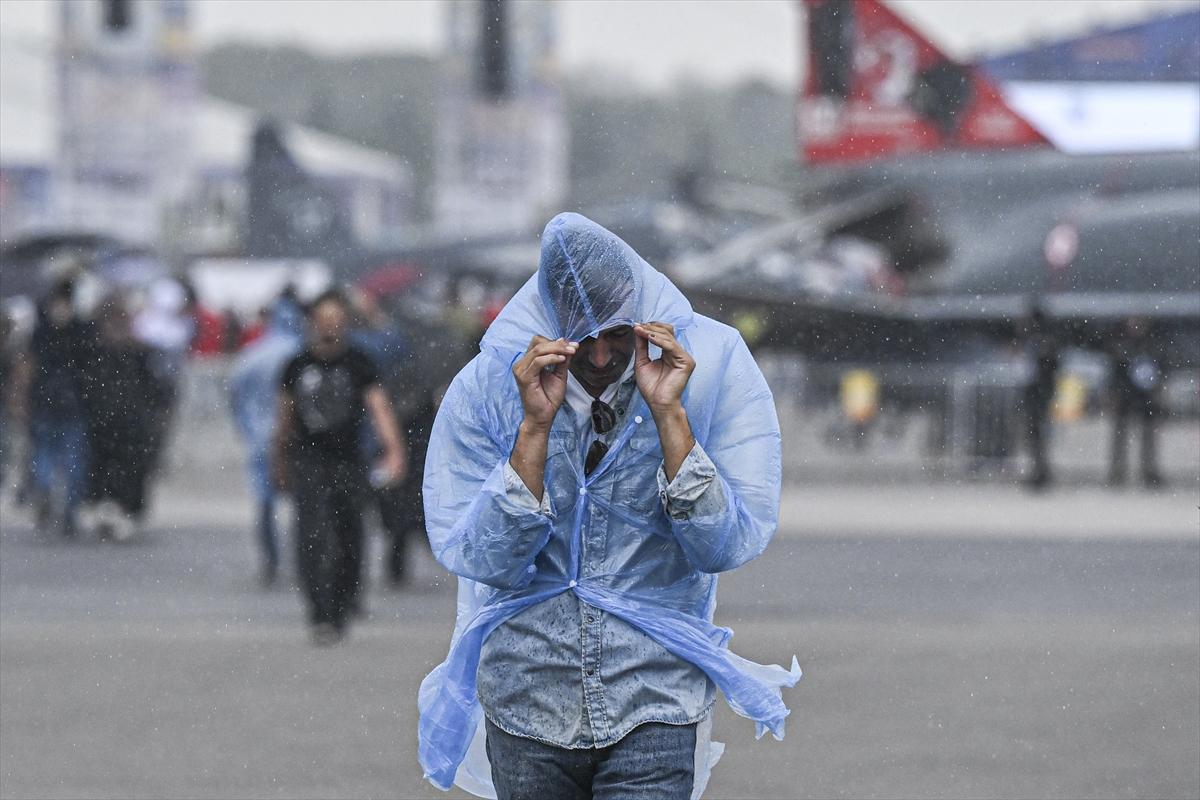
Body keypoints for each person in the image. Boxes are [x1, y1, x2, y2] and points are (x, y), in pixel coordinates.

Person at [418, 213, 800, 798]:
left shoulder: (709, 375)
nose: (599, 358)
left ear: (639, 310)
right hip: (529, 695)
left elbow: (724, 544)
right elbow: (480, 557)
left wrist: (670, 416)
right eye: (582, 340)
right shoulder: (491, 389)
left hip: (655, 692)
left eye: (616, 335)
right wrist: (534, 432)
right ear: (550, 321)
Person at [273, 288, 408, 645]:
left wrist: (394, 450)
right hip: (309, 460)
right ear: (312, 323)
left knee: (350, 532)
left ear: (345, 322)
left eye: (336, 319)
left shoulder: (359, 362)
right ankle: (320, 611)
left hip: (349, 460)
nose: (329, 327)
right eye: (323, 320)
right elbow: (284, 418)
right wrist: (280, 460)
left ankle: (345, 597)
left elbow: (379, 409)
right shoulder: (296, 365)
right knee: (313, 534)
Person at [228, 293, 304, 585]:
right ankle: (302, 558)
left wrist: (244, 425)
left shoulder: (254, 353)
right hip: (295, 437)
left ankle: (271, 560)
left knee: (264, 501)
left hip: (261, 435)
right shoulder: (298, 351)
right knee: (301, 502)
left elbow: (234, 392)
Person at [79, 298, 168, 541]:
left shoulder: (131, 352)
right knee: (114, 471)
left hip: (122, 423)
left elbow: (156, 389)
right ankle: (114, 511)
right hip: (114, 423)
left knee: (121, 471)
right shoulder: (105, 351)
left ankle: (116, 511)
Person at [18, 281, 92, 537]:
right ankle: (65, 511)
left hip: (52, 404)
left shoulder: (43, 331)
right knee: (67, 461)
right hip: (65, 405)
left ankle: (50, 498)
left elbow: (28, 367)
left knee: (49, 458)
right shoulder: (78, 330)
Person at [1107, 317, 1165, 488]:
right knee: (1120, 436)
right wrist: (1115, 392)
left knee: (1147, 436)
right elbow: (1115, 371)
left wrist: (1158, 390)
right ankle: (1118, 471)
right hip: (1126, 396)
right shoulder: (1122, 345)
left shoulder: (1151, 345)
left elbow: (1160, 369)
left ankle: (1148, 471)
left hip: (1145, 396)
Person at [1020, 303, 1059, 490]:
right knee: (1036, 436)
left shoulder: (1041, 342)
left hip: (1039, 394)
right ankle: (1040, 471)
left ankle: (1041, 472)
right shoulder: (1042, 341)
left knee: (1038, 435)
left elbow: (1046, 368)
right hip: (1039, 393)